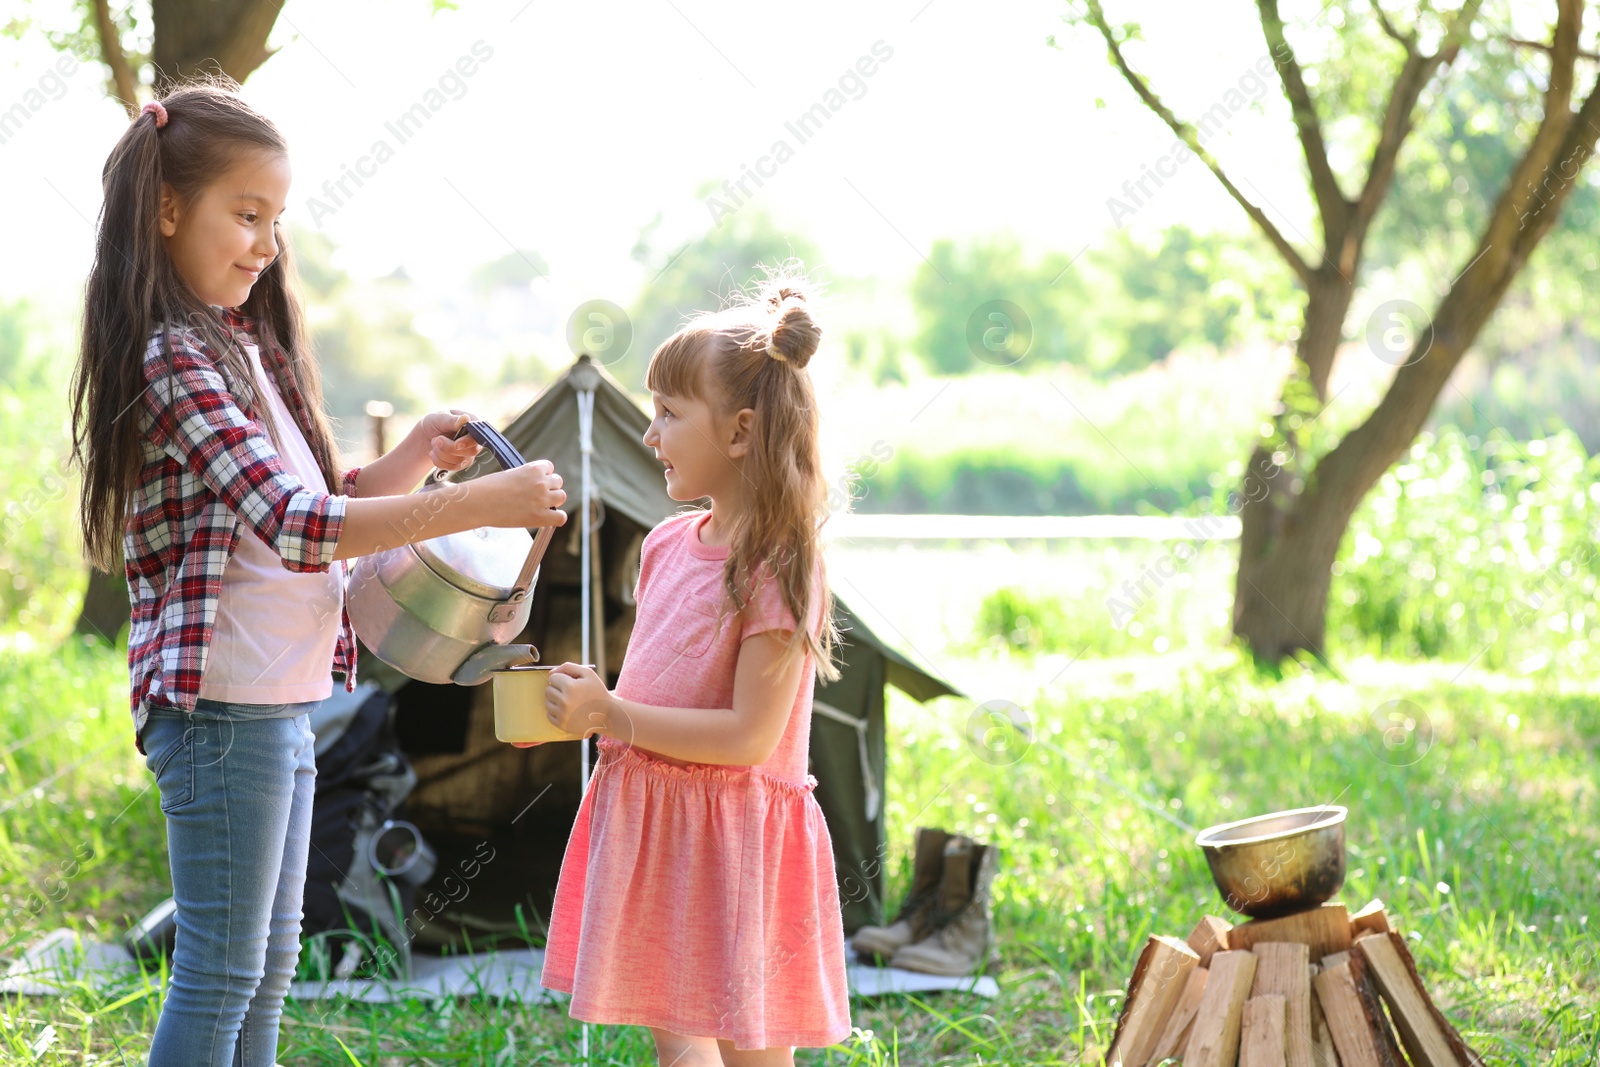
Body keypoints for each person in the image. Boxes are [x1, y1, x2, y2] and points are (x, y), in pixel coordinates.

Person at [69, 83, 566, 1066]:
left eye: (276, 219)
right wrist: (479, 508)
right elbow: (298, 528)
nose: (264, 241)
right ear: (168, 209)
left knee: (269, 959)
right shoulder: (172, 357)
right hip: (219, 709)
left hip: (283, 702)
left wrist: (415, 463)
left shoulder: (246, 349)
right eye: (243, 214)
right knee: (220, 968)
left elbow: (322, 497)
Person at [533, 277, 851, 1065]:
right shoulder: (666, 545)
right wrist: (591, 704)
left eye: (670, 414)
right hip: (659, 831)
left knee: (750, 1055)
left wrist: (614, 715)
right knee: (681, 1048)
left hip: (736, 842)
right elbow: (658, 683)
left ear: (742, 431)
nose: (650, 435)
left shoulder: (783, 564)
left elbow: (749, 736)